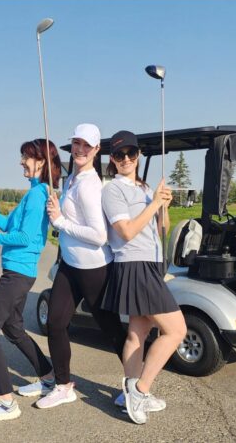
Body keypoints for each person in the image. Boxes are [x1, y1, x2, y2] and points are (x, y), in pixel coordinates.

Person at [0, 140, 60, 421]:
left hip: (17, 273)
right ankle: (48, 377)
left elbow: (27, 238)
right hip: (19, 272)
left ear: (40, 162)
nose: (21, 162)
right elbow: (9, 224)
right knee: (14, 328)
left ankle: (5, 402)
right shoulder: (33, 193)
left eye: (25, 158)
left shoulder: (38, 195)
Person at [38, 126, 128, 410]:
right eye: (76, 143)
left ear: (96, 149)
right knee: (55, 323)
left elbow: (98, 235)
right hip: (70, 265)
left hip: (94, 269)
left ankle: (138, 385)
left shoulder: (89, 185)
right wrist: (59, 212)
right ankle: (64, 386)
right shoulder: (72, 179)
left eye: (86, 145)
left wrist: (61, 222)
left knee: (112, 329)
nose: (79, 149)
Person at [99, 142, 181, 424]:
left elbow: (161, 229)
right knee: (176, 330)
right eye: (120, 155)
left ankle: (128, 396)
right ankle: (139, 389)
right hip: (134, 264)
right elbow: (127, 231)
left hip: (151, 262)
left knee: (138, 333)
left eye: (131, 154)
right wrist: (155, 203)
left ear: (138, 156)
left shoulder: (145, 189)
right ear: (113, 159)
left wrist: (164, 207)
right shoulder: (113, 189)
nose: (126, 159)